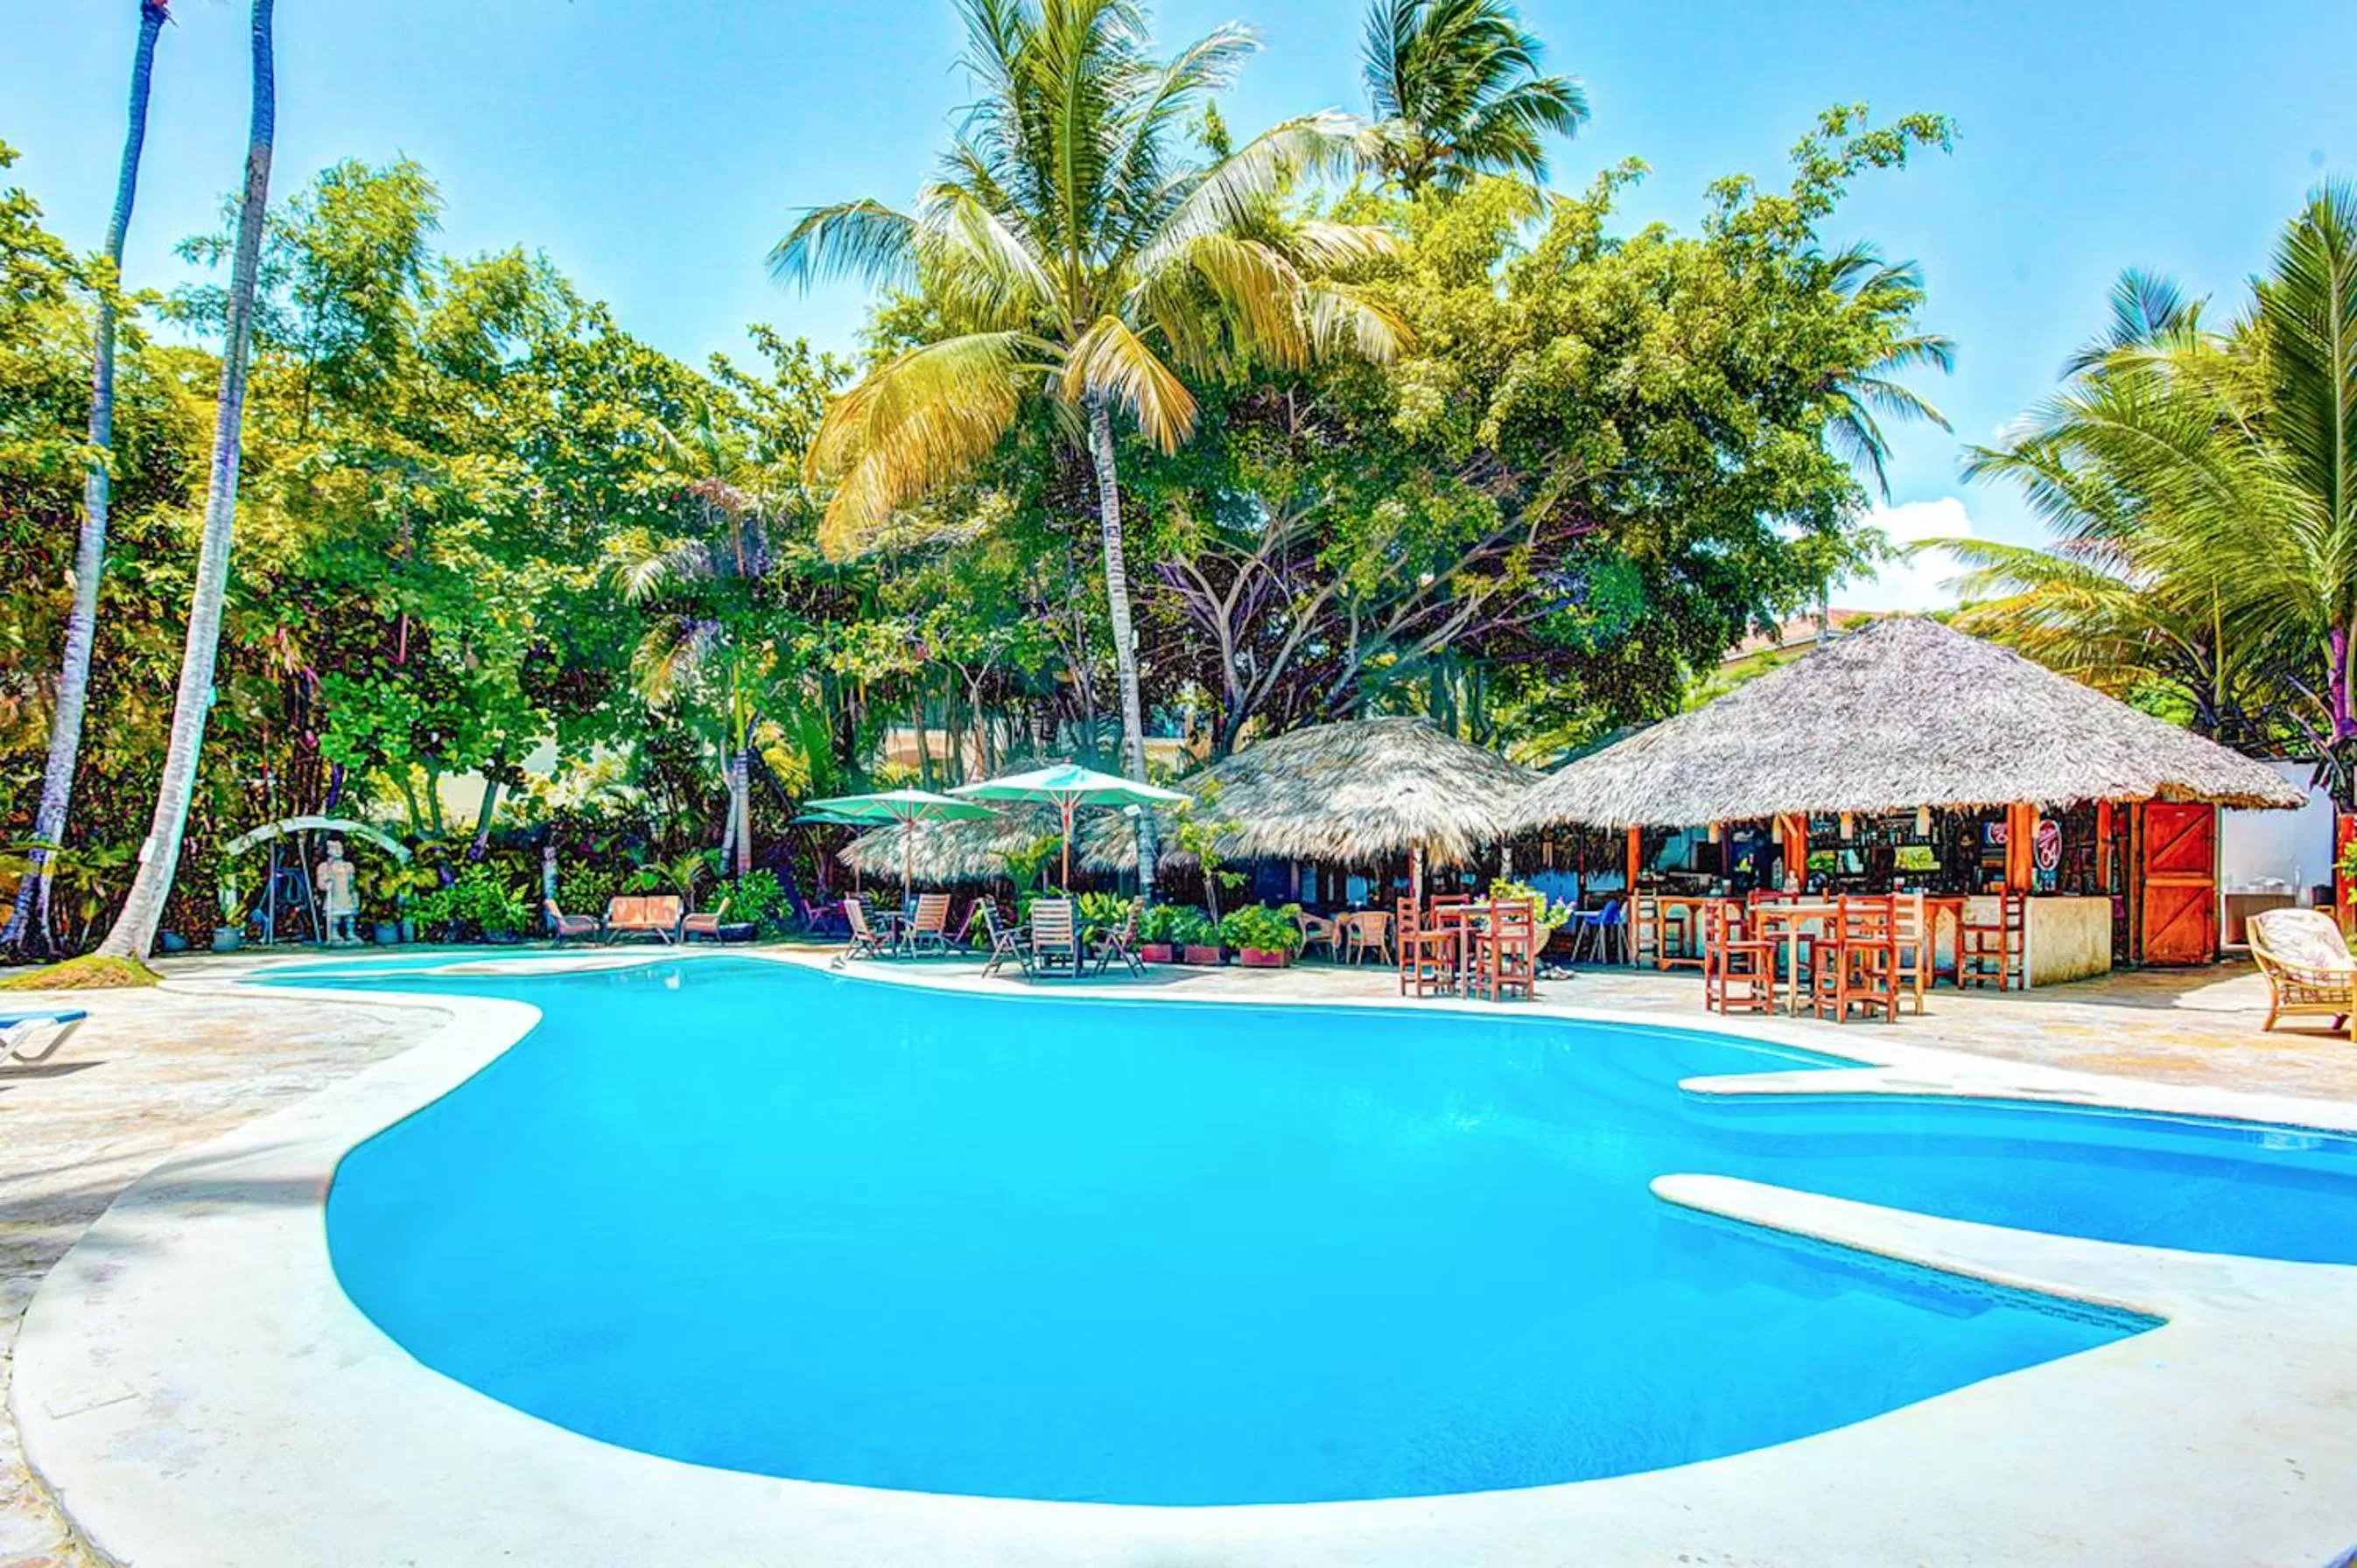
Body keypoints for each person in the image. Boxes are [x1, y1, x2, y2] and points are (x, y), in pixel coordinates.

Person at [315, 839, 360, 946]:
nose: (338, 851)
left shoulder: (348, 866)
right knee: (334, 916)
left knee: (350, 916)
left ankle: (350, 933)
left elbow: (352, 883)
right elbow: (320, 884)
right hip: (334, 896)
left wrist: (353, 890)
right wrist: (326, 882)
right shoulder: (324, 867)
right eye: (335, 849)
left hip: (346, 894)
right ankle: (334, 934)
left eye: (340, 848)